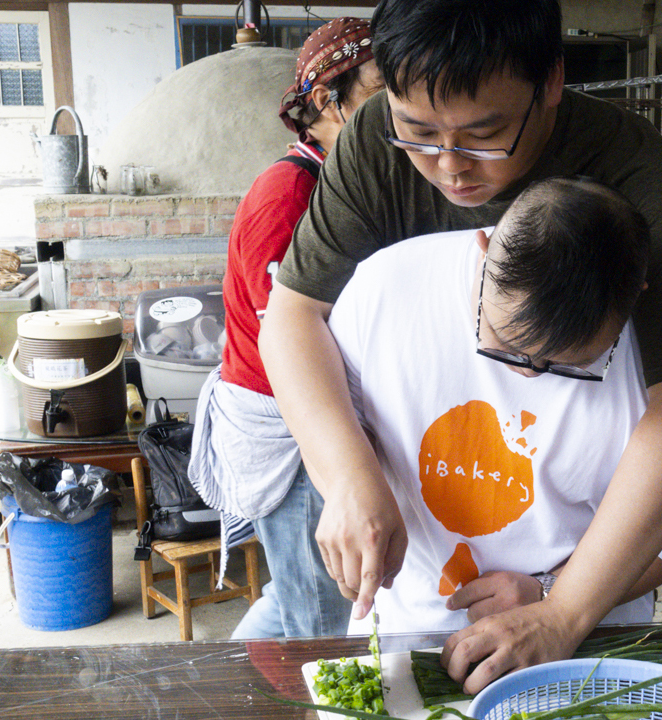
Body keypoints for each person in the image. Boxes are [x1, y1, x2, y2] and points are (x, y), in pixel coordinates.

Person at [259, 0, 662, 692]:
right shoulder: (369, 146)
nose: (449, 167)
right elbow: (292, 322)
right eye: (416, 130)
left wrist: (563, 605)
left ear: (552, 84)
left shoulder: (636, 179)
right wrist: (348, 476)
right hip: (424, 577)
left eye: (485, 134)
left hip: (584, 604)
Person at [328, 176, 662, 640]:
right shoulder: (387, 287)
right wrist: (345, 481)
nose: (530, 373)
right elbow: (338, 408)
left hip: (586, 639)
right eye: (504, 344)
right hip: (404, 625)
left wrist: (551, 592)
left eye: (567, 364)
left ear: (634, 296)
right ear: (484, 248)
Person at [187, 18, 384, 639]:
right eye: (383, 90)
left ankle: (223, 686)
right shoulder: (288, 194)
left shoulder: (343, 183)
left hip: (316, 413)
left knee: (302, 590)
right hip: (290, 425)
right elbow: (290, 340)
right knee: (323, 615)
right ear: (330, 100)